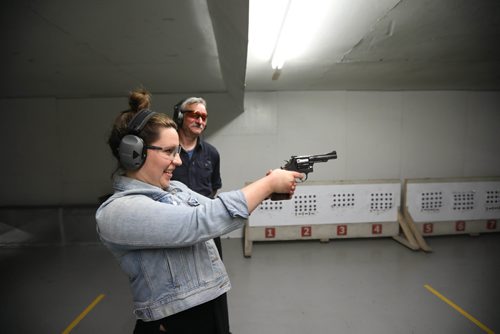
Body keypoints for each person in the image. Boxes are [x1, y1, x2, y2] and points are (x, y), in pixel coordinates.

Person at [96, 89, 302, 334]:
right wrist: (268, 184)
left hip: (211, 309)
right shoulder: (117, 211)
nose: (178, 160)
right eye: (169, 151)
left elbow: (216, 210)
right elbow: (197, 223)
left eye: (178, 151)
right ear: (134, 153)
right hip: (175, 322)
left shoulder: (176, 189)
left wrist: (267, 191)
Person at [171, 98, 231, 331]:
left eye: (203, 117)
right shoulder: (167, 150)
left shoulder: (212, 154)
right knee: (178, 284)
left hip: (207, 229)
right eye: (193, 114)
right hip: (175, 230)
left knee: (214, 284)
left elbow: (213, 188)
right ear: (180, 116)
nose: (199, 120)